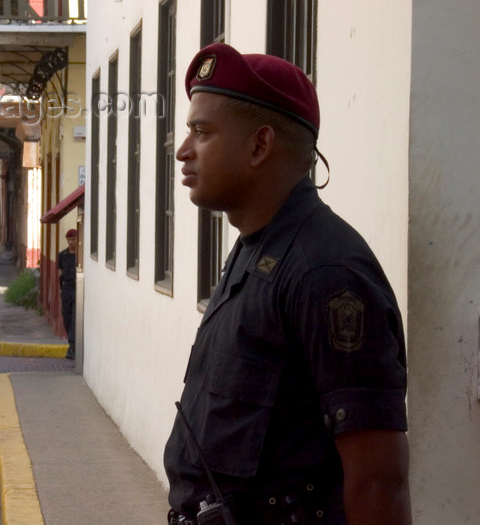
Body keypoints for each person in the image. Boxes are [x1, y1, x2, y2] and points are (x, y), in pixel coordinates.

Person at [164, 43, 411, 525]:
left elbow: (378, 480)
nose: (183, 150)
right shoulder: (254, 251)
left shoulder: (327, 274)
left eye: (202, 131)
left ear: (260, 146)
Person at [57, 229, 77, 359]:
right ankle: (72, 343)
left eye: (73, 239)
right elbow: (60, 273)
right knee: (66, 316)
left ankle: (72, 345)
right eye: (69, 240)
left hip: (76, 287)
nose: (71, 242)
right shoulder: (62, 255)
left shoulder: (80, 255)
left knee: (75, 317)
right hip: (66, 288)